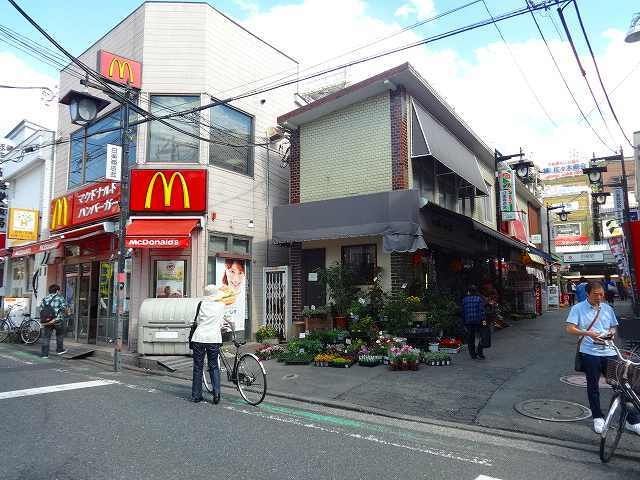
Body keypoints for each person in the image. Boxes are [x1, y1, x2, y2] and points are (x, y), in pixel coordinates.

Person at [565, 280, 640, 434]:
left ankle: (631, 420)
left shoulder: (607, 308)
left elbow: (613, 325)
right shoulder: (577, 308)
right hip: (590, 353)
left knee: (622, 385)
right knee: (593, 386)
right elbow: (570, 329)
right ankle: (597, 417)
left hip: (610, 352)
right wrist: (588, 333)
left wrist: (611, 333)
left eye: (601, 294)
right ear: (587, 293)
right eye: (595, 294)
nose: (599, 297)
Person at [190, 284, 229, 405]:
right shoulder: (221, 306)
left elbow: (197, 321)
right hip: (213, 339)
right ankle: (216, 394)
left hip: (199, 338)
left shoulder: (201, 304)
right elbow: (222, 323)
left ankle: (196, 395)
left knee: (198, 366)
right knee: (214, 366)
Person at [40, 284, 69, 358]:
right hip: (57, 320)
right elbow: (64, 308)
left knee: (46, 337)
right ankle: (59, 350)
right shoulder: (60, 298)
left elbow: (41, 310)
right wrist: (67, 313)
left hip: (47, 321)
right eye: (58, 290)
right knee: (59, 335)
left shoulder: (45, 299)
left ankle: (44, 354)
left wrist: (46, 319)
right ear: (57, 291)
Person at [462, 285, 487, 360]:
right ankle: (480, 353)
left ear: (468, 292)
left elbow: (463, 312)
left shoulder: (464, 300)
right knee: (481, 337)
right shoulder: (478, 299)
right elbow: (482, 311)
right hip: (478, 321)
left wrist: (464, 322)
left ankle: (473, 355)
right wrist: (484, 322)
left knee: (470, 338)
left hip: (468, 322)